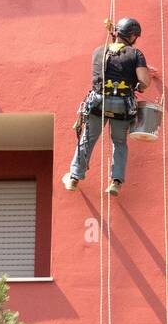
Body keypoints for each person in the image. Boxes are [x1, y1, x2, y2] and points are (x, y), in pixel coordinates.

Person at [62, 18, 151, 196]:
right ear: (132, 36)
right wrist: (140, 83)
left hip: (98, 103)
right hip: (122, 107)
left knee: (87, 139)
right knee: (119, 143)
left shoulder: (98, 52)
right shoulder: (135, 54)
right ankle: (116, 182)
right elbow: (144, 82)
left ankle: (74, 178)